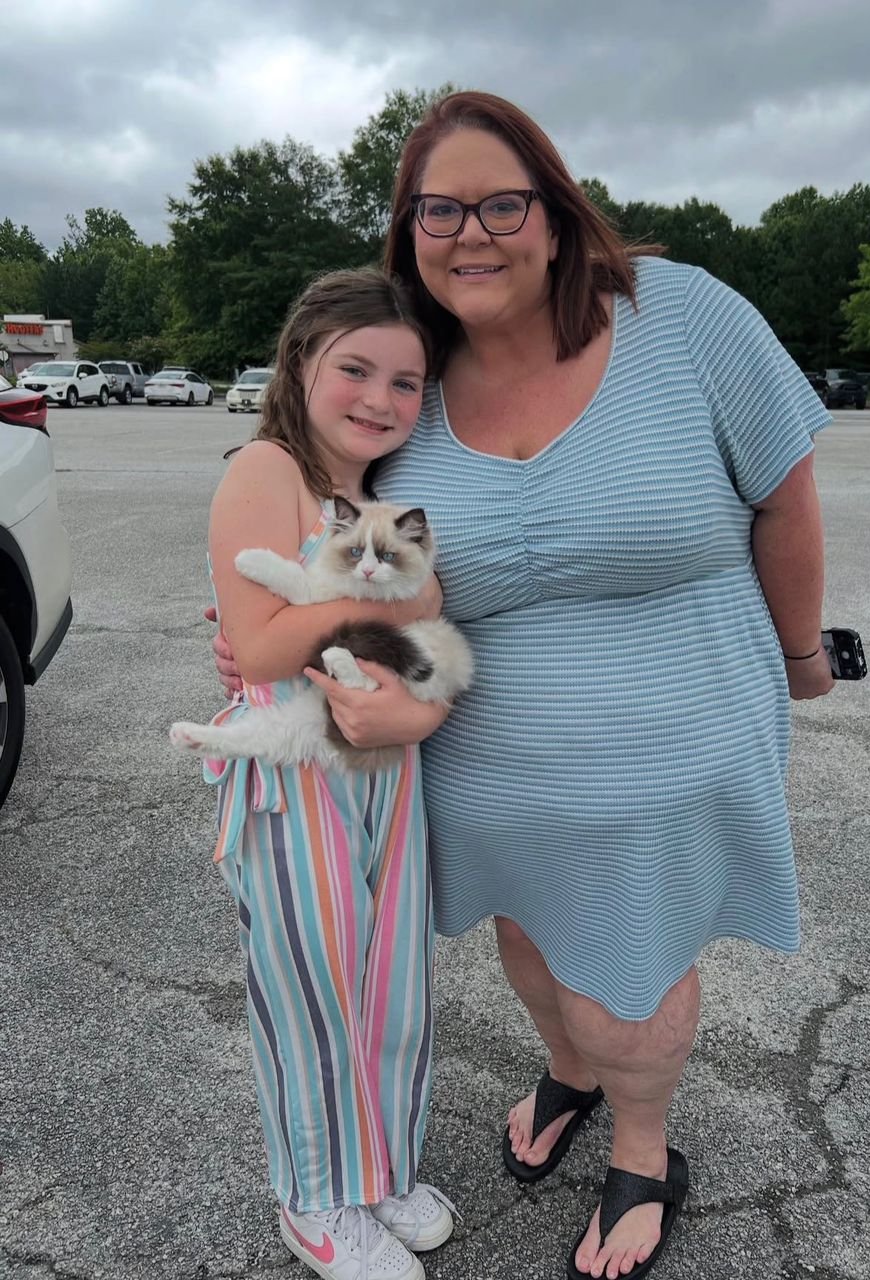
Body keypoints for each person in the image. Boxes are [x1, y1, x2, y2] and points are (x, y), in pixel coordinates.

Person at [214, 92, 835, 1280]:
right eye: (438, 210)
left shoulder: (680, 313)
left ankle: (643, 1147)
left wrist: (803, 655)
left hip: (669, 738)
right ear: (408, 232)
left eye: (502, 203)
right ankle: (568, 1073)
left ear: (555, 213)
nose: (472, 232)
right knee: (532, 942)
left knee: (629, 964)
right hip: (482, 752)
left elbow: (785, 495)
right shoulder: (410, 377)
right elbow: (348, 554)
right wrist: (265, 633)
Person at [195, 266, 456, 1280]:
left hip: (390, 770)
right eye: (356, 368)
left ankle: (379, 1167)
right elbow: (262, 646)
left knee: (391, 985)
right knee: (311, 988)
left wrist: (386, 613)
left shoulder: (380, 495)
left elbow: (414, 630)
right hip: (297, 777)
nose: (379, 398)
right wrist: (400, 603)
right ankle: (313, 1196)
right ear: (302, 359)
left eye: (406, 382)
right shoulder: (268, 469)